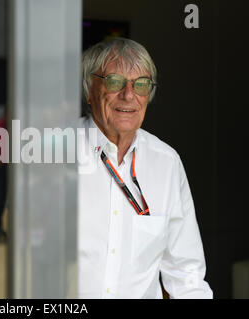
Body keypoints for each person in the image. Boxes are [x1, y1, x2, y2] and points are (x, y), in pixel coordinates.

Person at [78, 37, 213, 299]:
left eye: (140, 85)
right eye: (115, 81)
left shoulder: (167, 163)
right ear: (88, 91)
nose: (128, 95)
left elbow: (186, 273)